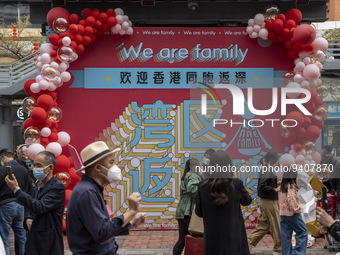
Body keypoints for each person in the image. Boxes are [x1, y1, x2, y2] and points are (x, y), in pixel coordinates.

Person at [67, 141, 146, 255]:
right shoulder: (87, 192)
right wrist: (132, 211)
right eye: (111, 162)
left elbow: (101, 228)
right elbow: (101, 232)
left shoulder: (91, 189)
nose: (115, 167)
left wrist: (131, 222)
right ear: (98, 168)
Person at [5, 151, 65, 255]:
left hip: (48, 243)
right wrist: (28, 217)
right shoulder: (39, 185)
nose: (34, 168)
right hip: (35, 239)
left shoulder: (57, 187)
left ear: (50, 168)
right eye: (34, 164)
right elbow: (32, 205)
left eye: (38, 165)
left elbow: (40, 206)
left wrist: (16, 189)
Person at [195, 150, 252, 255]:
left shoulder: (202, 186)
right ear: (229, 165)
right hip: (234, 237)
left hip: (212, 240)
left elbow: (199, 212)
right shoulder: (236, 183)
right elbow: (247, 201)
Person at [248, 152, 281, 255]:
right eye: (276, 161)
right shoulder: (269, 170)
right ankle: (278, 249)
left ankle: (248, 244)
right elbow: (262, 185)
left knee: (263, 225)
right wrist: (274, 189)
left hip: (264, 201)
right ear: (272, 160)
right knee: (276, 225)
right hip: (269, 201)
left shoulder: (264, 168)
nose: (277, 164)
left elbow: (263, 184)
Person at [0, 150, 32, 255]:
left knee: (4, 236)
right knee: (21, 236)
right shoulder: (23, 169)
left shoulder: (2, 169)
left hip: (6, 204)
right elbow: (29, 188)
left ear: (3, 157)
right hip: (21, 205)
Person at [173, 158, 202, 255]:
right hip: (188, 210)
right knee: (194, 238)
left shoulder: (186, 175)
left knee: (182, 239)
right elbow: (192, 189)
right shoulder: (193, 175)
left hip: (182, 210)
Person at [279, 169, 308, 255]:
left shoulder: (283, 186)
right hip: (292, 213)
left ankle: (286, 253)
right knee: (302, 231)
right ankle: (298, 253)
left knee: (286, 235)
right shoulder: (291, 185)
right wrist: (297, 208)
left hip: (283, 213)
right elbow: (290, 199)